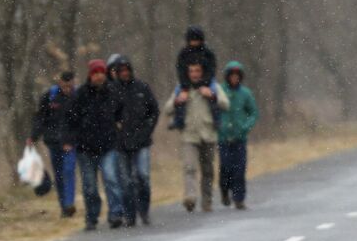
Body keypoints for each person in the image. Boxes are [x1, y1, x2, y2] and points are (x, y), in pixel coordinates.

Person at [65, 59, 125, 231]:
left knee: (111, 179)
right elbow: (70, 118)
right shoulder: (81, 95)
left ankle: (115, 214)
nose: (99, 76)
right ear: (90, 75)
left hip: (108, 145)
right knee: (89, 186)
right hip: (85, 148)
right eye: (95, 73)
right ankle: (92, 216)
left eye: (101, 73)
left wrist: (119, 125)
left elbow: (121, 111)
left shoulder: (113, 92)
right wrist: (71, 138)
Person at [164, 61, 230, 213]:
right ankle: (190, 197)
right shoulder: (182, 88)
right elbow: (167, 110)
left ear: (203, 72)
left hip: (209, 134)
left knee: (208, 170)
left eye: (197, 71)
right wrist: (177, 100)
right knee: (189, 167)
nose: (194, 74)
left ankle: (207, 202)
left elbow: (226, 105)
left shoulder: (213, 86)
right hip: (189, 135)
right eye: (191, 71)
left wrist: (212, 96)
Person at [109, 55, 159, 226]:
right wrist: (115, 126)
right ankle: (130, 215)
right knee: (126, 181)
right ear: (116, 73)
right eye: (120, 70)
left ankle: (144, 210)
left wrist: (147, 130)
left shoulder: (142, 87)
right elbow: (107, 114)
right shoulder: (111, 90)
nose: (124, 73)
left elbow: (154, 111)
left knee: (143, 176)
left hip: (142, 141)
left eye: (126, 70)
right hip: (121, 143)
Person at [30, 71, 77, 217]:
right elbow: (40, 118)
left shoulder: (78, 96)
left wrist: (73, 139)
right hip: (53, 142)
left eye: (70, 86)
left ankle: (69, 203)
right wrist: (33, 136)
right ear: (60, 82)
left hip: (71, 142)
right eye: (65, 85)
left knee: (68, 171)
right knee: (59, 175)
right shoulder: (50, 96)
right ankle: (64, 206)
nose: (67, 88)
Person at [217, 61, 260, 210]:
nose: (234, 78)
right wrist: (218, 125)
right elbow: (212, 110)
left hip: (240, 138)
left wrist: (245, 126)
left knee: (240, 169)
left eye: (237, 76)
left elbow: (253, 113)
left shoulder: (246, 93)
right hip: (223, 138)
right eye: (232, 75)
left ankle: (239, 198)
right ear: (227, 76)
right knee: (225, 168)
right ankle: (224, 191)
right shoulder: (219, 91)